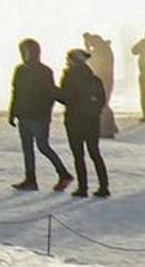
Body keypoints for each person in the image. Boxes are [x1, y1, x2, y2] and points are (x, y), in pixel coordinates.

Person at [59, 45, 111, 198]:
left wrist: (52, 92)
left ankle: (83, 188)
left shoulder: (69, 77)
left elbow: (65, 98)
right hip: (92, 120)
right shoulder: (93, 78)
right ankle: (104, 186)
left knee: (78, 155)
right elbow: (102, 100)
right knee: (95, 153)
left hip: (74, 120)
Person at [9, 38, 59, 192]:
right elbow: (16, 92)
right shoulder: (20, 70)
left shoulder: (45, 71)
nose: (23, 55)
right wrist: (12, 112)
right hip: (24, 115)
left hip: (39, 116)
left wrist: (45, 113)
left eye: (25, 51)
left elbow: (50, 95)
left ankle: (63, 173)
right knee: (27, 148)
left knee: (43, 146)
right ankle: (30, 179)